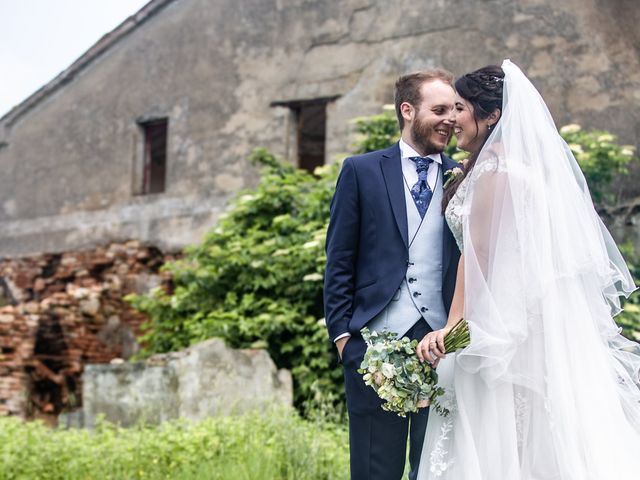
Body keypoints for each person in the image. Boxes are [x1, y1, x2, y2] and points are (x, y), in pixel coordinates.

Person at [416, 60, 640, 479]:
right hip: (526, 318)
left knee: (499, 436)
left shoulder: (495, 172)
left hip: (496, 326)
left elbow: (477, 255)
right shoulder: (527, 173)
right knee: (537, 432)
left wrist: (453, 327)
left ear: (491, 116)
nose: (454, 120)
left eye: (461, 109)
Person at [323, 69, 462, 479]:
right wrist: (344, 340)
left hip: (443, 350)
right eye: (438, 109)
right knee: (373, 470)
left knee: (433, 470)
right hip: (372, 348)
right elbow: (339, 260)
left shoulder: (464, 176)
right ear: (407, 110)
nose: (450, 119)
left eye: (454, 109)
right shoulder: (361, 171)